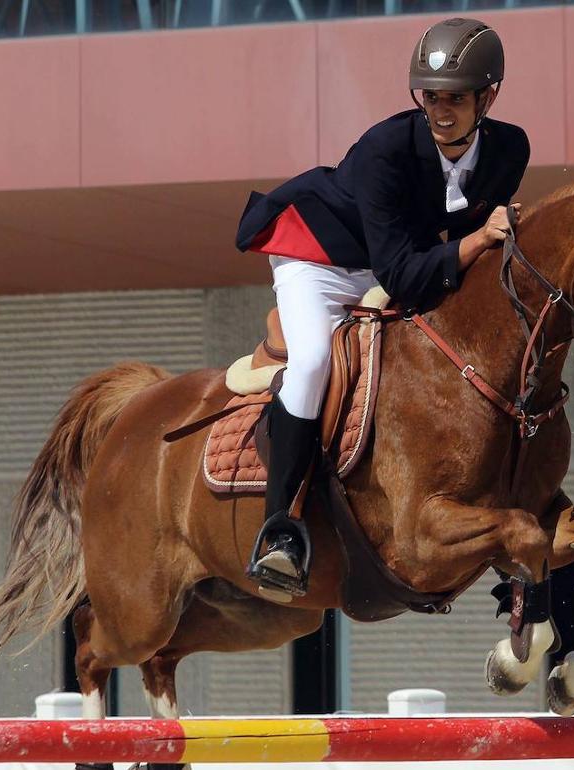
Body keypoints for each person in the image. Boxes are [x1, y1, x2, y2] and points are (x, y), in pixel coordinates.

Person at [234, 17, 530, 598]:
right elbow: (404, 271)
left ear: (487, 98)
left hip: (393, 260)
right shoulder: (385, 148)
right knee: (315, 358)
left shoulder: (510, 148)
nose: (441, 111)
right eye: (432, 97)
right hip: (320, 261)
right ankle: (280, 530)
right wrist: (475, 241)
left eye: (456, 98)